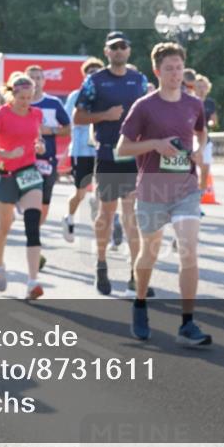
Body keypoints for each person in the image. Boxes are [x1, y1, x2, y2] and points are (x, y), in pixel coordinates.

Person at [118, 42, 212, 345]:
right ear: (157, 71)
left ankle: (187, 323)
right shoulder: (144, 106)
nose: (175, 74)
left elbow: (200, 133)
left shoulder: (194, 104)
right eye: (169, 69)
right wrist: (155, 145)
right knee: (151, 252)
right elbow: (122, 148)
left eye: (179, 68)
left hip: (185, 187)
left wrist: (198, 152)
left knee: (188, 249)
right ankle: (140, 303)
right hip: (152, 188)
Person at [74, 31, 152, 297]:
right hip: (107, 156)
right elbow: (78, 117)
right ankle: (101, 264)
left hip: (133, 156)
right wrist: (104, 115)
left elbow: (148, 113)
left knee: (132, 217)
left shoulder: (139, 80)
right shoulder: (95, 81)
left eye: (122, 46)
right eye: (113, 48)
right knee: (106, 215)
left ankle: (134, 274)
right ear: (106, 52)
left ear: (129, 51)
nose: (118, 51)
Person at [0, 74, 46, 299]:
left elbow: (38, 139)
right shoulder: (1, 114)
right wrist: (7, 154)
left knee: (32, 224)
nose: (26, 102)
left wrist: (40, 146)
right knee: (5, 226)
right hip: (5, 174)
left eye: (30, 97)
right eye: (22, 98)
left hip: (28, 173)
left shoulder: (36, 113)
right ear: (12, 95)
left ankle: (32, 282)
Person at [62, 58, 104, 242]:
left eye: (97, 71)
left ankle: (105, 230)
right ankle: (69, 218)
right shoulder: (75, 95)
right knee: (81, 192)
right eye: (90, 71)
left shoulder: (107, 96)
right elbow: (69, 121)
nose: (93, 74)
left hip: (101, 150)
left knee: (102, 192)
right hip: (81, 150)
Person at [26, 64, 71, 225]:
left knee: (44, 201)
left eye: (38, 78)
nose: (35, 81)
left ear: (44, 81)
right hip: (24, 160)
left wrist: (49, 131)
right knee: (29, 199)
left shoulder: (53, 103)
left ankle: (36, 232)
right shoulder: (21, 104)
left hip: (47, 160)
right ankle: (32, 234)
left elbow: (67, 129)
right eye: (32, 78)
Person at [194, 75, 218, 196]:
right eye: (199, 87)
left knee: (206, 167)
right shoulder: (189, 101)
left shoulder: (210, 103)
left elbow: (214, 120)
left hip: (205, 138)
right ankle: (191, 194)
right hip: (191, 138)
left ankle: (201, 194)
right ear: (194, 88)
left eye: (204, 87)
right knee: (193, 166)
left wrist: (210, 123)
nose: (202, 89)